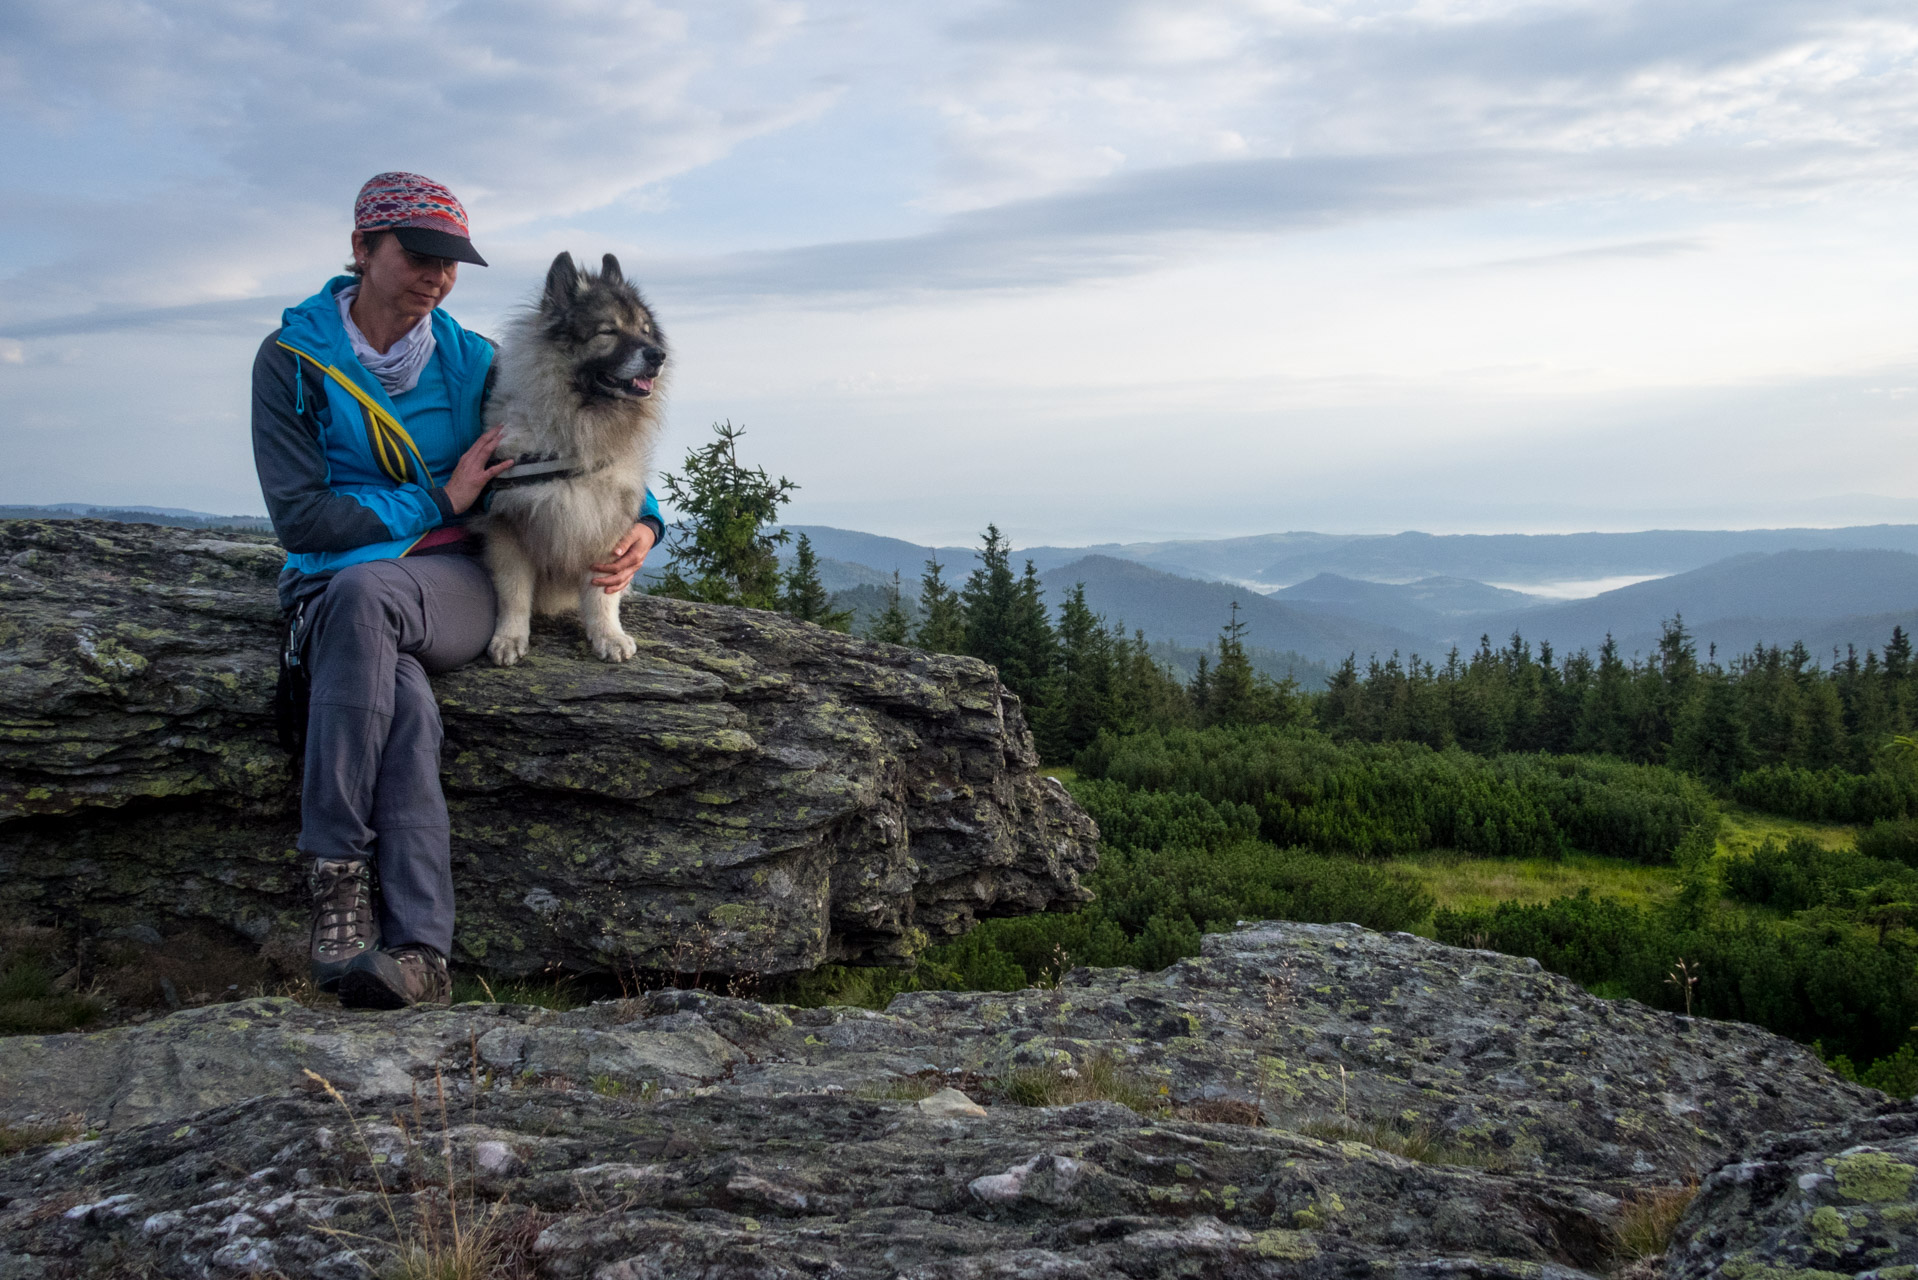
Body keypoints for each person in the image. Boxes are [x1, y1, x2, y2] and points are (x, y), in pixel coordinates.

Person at [251, 172, 665, 1009]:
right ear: (363, 249)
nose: (439, 275)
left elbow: (574, 448)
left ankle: (333, 869)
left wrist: (646, 523)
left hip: (454, 580)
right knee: (399, 692)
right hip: (334, 583)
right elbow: (302, 520)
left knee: (368, 599)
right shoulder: (291, 361)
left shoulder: (469, 358)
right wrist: (438, 498)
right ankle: (419, 956)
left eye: (452, 261)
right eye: (420, 254)